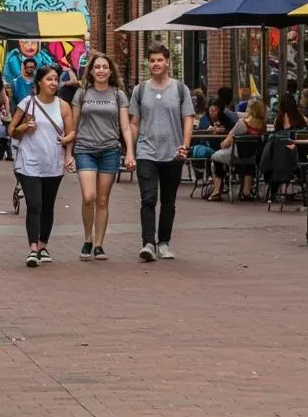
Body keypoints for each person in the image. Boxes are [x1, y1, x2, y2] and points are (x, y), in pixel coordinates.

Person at [129, 44, 194, 261]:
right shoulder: (140, 90)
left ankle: (164, 242)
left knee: (168, 201)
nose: (156, 64)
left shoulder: (180, 89)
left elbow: (188, 118)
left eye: (159, 60)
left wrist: (185, 144)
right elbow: (135, 122)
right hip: (147, 151)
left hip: (173, 153)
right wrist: (131, 150)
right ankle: (148, 243)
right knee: (148, 198)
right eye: (152, 60)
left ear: (167, 62)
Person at [71, 52, 134, 261]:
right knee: (89, 197)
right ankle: (87, 238)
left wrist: (130, 152)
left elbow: (125, 125)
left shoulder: (118, 95)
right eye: (97, 67)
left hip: (110, 150)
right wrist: (68, 153)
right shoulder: (82, 94)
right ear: (91, 70)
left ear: (110, 71)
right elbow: (73, 125)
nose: (101, 71)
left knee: (103, 199)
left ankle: (98, 245)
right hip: (85, 149)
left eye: (104, 67)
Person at [10, 64, 75, 266]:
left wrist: (67, 150)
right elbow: (12, 129)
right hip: (29, 161)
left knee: (47, 205)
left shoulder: (63, 106)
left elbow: (71, 132)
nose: (54, 83)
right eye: (49, 79)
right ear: (39, 82)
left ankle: (43, 245)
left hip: (53, 162)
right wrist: (24, 127)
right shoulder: (27, 103)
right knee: (34, 204)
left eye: (56, 79)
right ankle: (32, 249)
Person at [209, 97, 268, 200]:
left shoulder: (242, 123)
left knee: (215, 157)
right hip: (253, 157)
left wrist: (222, 144)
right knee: (248, 162)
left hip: (235, 156)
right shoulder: (263, 126)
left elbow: (227, 142)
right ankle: (246, 192)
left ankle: (217, 190)